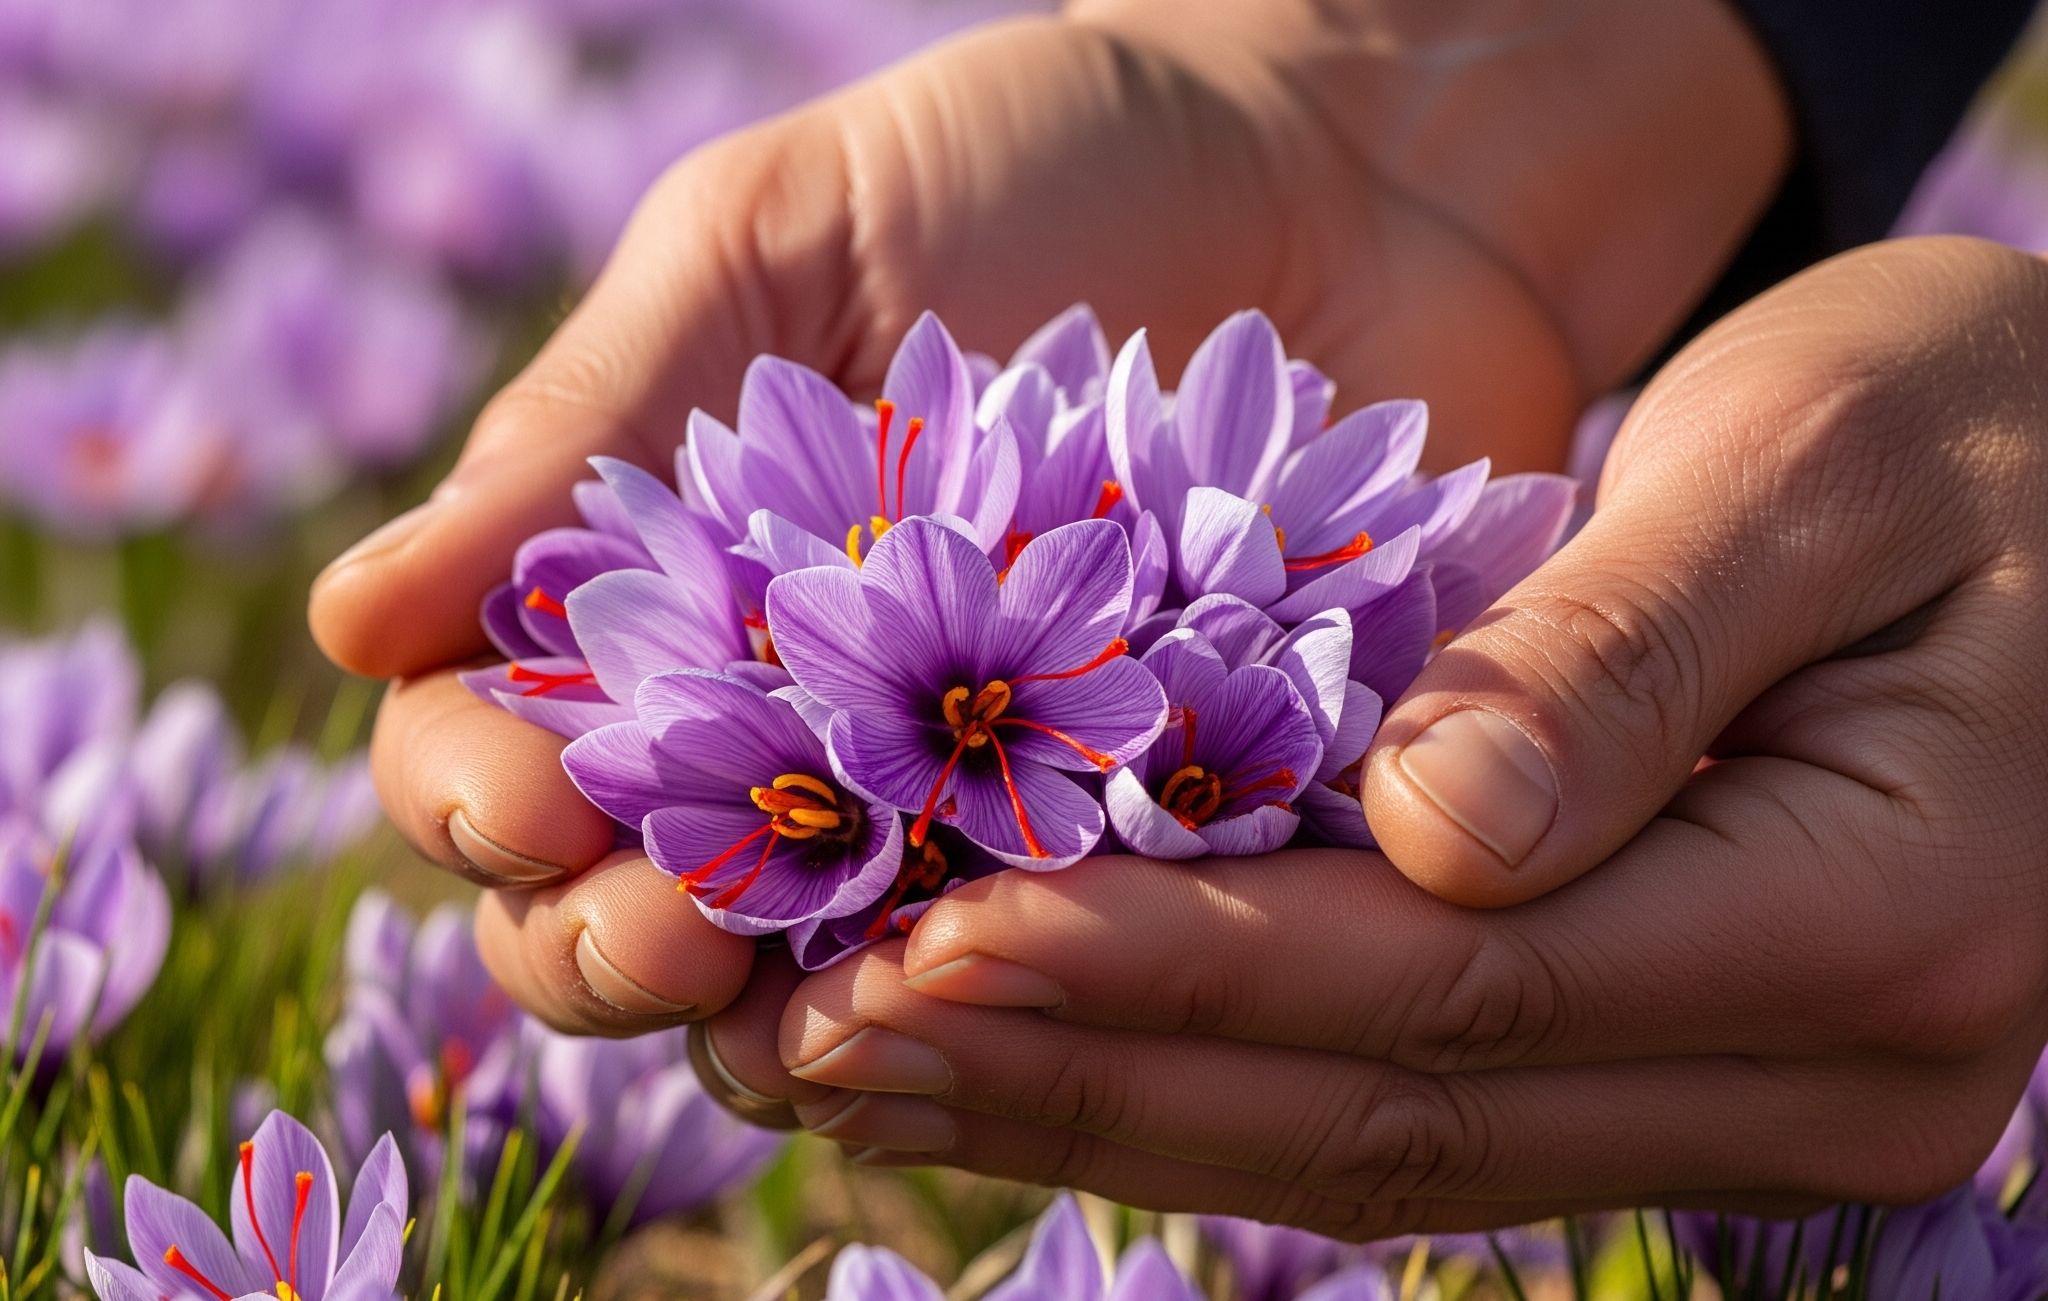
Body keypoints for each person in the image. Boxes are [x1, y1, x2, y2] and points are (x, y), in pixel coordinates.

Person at [310, 0, 2048, 1237]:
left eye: (981, 716)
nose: (976, 728)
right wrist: (1360, 87)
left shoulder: (1038, 719)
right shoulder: (974, 702)